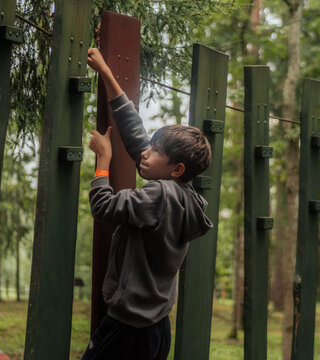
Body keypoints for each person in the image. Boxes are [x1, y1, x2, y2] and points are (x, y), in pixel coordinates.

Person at [81, 48, 213, 360]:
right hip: (156, 327)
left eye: (155, 151)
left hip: (127, 327)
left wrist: (104, 161)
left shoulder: (159, 194)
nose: (146, 152)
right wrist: (106, 73)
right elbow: (137, 137)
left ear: (175, 169)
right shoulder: (184, 195)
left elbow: (104, 208)